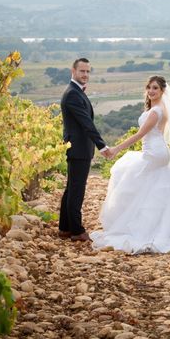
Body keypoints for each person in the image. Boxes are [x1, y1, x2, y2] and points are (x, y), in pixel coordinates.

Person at [91, 76, 170, 254]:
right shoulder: (159, 108)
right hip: (157, 151)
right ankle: (159, 224)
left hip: (155, 152)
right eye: (149, 88)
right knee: (154, 187)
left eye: (155, 88)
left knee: (132, 176)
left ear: (162, 91)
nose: (151, 91)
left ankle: (147, 228)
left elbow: (140, 135)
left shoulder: (156, 112)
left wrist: (116, 149)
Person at [59, 58, 112, 242]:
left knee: (71, 188)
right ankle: (76, 230)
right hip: (79, 149)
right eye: (82, 71)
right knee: (77, 190)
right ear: (73, 71)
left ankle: (64, 227)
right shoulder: (73, 94)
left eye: (88, 72)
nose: (85, 75)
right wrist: (102, 146)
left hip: (77, 148)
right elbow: (86, 122)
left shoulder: (75, 92)